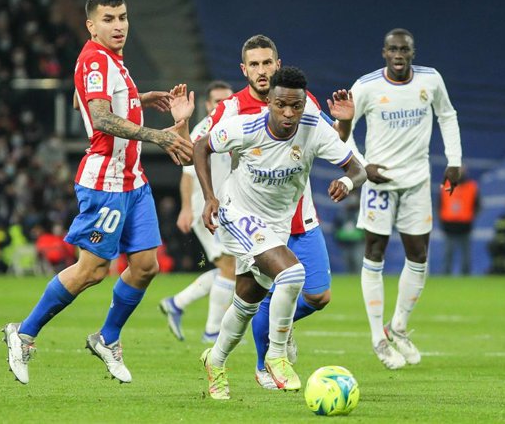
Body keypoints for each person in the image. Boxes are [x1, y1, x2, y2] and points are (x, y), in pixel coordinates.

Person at [1, 0, 194, 385]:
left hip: (133, 180)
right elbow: (101, 118)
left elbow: (80, 102)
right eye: (109, 19)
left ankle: (107, 338)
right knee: (91, 271)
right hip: (105, 181)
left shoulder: (111, 61)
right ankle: (22, 333)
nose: (119, 25)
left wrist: (139, 99)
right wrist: (157, 135)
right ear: (91, 25)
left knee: (144, 266)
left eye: (122, 17)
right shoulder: (93, 59)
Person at [195, 66, 366, 399]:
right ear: (269, 102)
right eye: (281, 105)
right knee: (292, 273)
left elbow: (357, 168)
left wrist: (346, 182)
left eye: (296, 106)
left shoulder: (314, 128)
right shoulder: (245, 127)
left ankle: (214, 361)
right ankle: (276, 355)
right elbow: (202, 146)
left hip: (277, 225)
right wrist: (209, 197)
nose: (289, 114)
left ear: (304, 105)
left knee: (246, 304)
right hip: (237, 214)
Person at [343, 28, 462, 369]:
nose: (398, 55)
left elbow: (448, 115)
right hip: (379, 184)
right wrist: (364, 167)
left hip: (416, 182)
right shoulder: (366, 86)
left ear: (413, 52)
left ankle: (398, 326)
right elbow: (342, 131)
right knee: (375, 253)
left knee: (419, 255)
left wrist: (454, 160)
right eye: (393, 49)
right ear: (384, 53)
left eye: (404, 50)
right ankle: (378, 339)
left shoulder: (431, 80)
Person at [159, 80, 236, 343]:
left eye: (227, 100)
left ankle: (177, 303)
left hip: (226, 208)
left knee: (236, 268)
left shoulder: (233, 126)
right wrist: (186, 209)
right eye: (217, 101)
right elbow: (188, 171)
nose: (222, 105)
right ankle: (213, 332)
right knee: (230, 268)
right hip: (207, 210)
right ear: (207, 104)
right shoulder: (204, 129)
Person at [437, 166, 480, 275]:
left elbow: (477, 205)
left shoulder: (472, 187)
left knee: (465, 254)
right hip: (449, 225)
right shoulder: (445, 186)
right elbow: (439, 206)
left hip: (465, 225)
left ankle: (465, 274)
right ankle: (446, 274)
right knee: (448, 252)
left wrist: (471, 217)